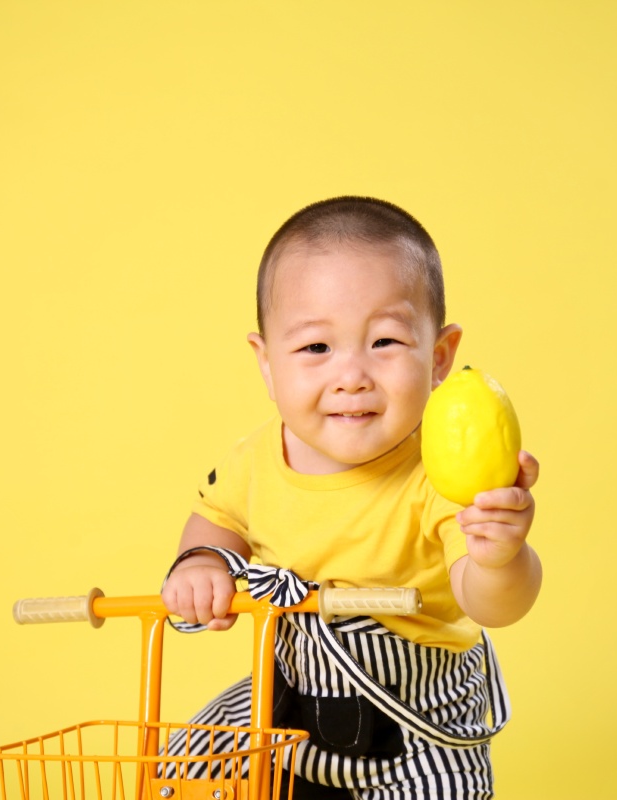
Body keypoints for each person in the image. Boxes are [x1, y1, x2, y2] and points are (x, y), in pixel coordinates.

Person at [161, 196, 542, 799]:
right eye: (316, 348)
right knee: (182, 763)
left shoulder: (442, 476)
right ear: (267, 364)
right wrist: (202, 562)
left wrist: (499, 557)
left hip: (418, 729)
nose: (351, 377)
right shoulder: (254, 459)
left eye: (384, 342)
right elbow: (217, 516)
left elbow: (492, 603)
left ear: (439, 358)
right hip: (291, 706)